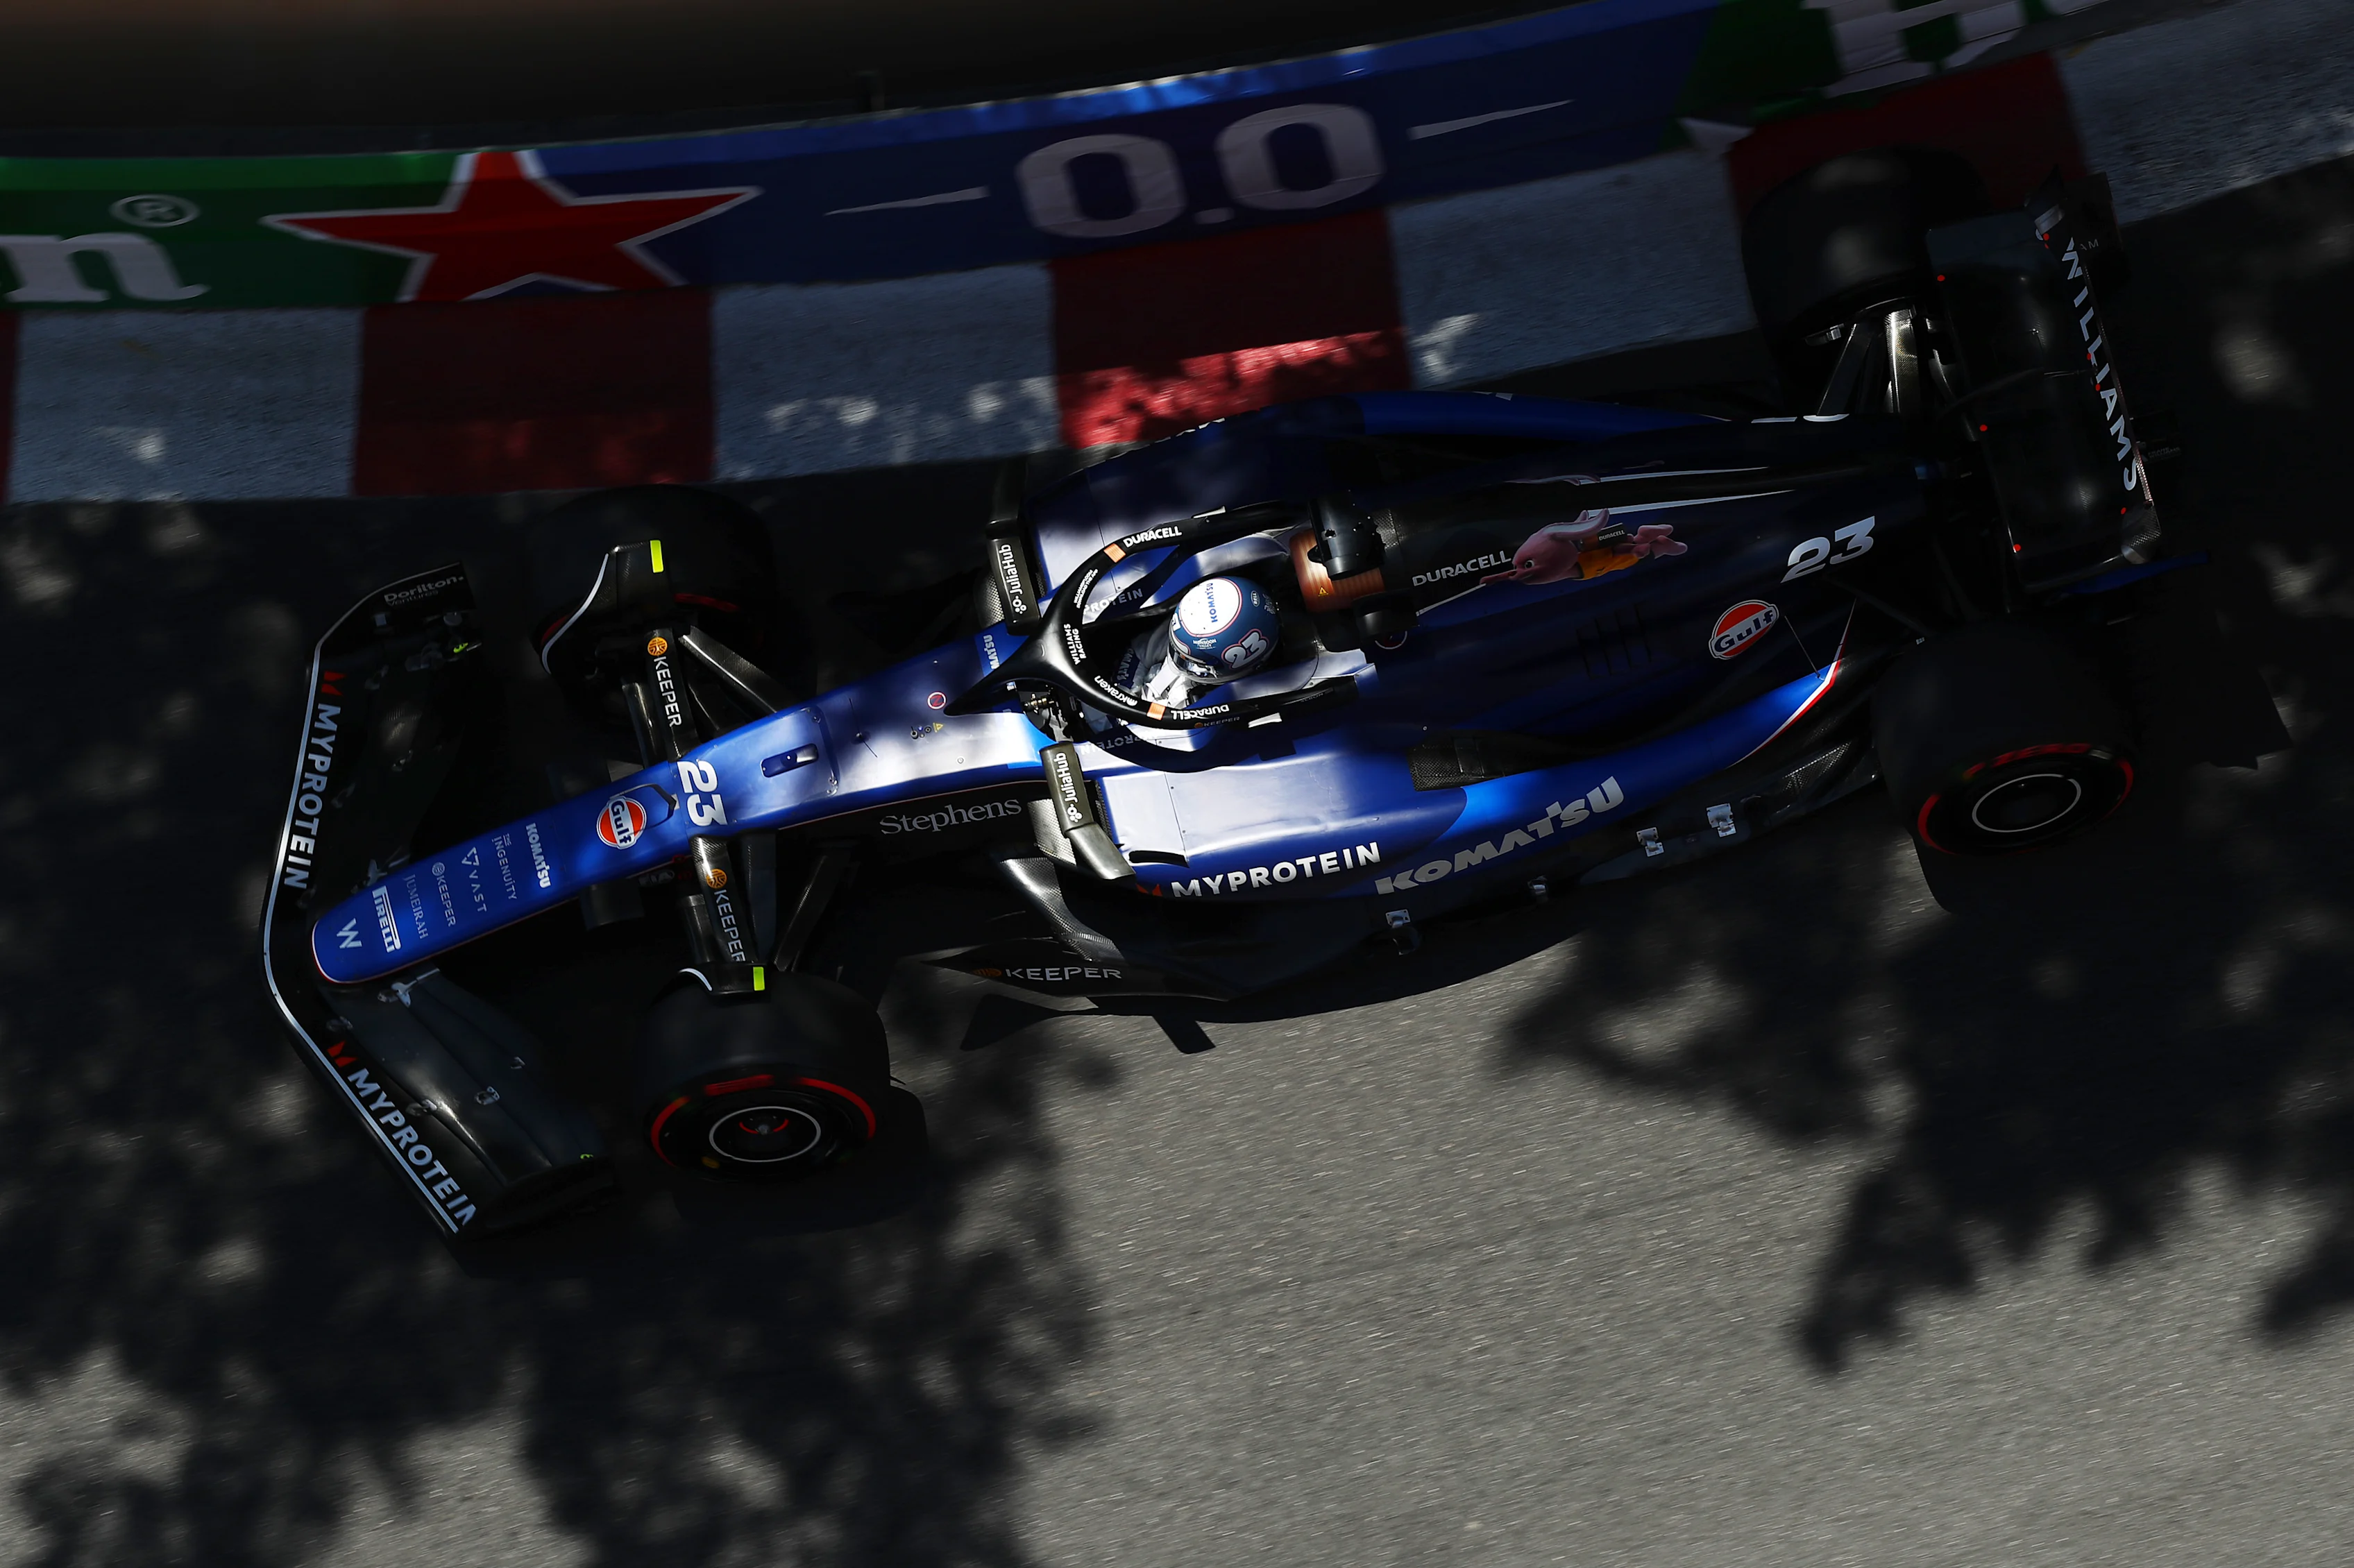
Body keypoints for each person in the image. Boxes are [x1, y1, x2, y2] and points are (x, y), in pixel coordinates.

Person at [1114, 574, 1285, 709]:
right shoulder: (1191, 627)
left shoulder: (1241, 701)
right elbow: (1139, 651)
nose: (1179, 662)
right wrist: (1124, 698)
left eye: (1191, 663)